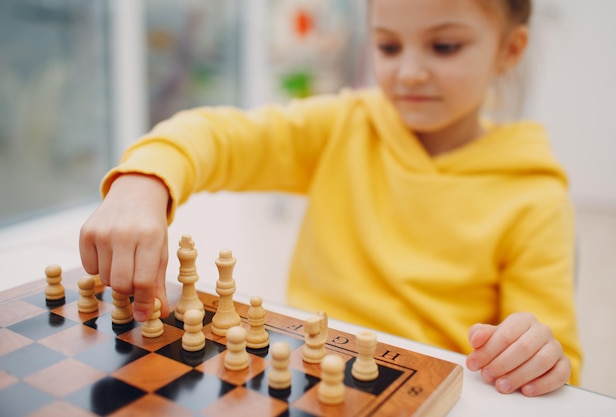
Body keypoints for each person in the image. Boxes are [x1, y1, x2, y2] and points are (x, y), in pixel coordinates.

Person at [79, 0, 582, 397]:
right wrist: (144, 181)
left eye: (444, 46)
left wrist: (538, 353)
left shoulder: (534, 195)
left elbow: (557, 364)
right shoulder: (344, 126)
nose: (408, 72)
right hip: (304, 379)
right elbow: (222, 136)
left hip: (435, 397)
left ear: (509, 50)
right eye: (387, 46)